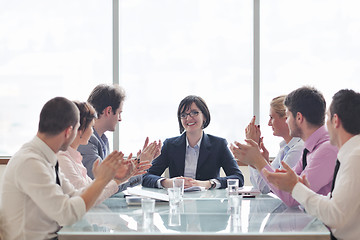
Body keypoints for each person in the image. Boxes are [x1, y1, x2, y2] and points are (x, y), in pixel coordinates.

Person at [0, 97, 131, 240]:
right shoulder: (30, 162)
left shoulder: (46, 158)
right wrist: (101, 180)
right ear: (69, 131)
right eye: (76, 129)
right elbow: (67, 214)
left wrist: (114, 180)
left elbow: (74, 195)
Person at [263, 89, 360, 240]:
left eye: (327, 117)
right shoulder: (350, 154)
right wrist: (303, 191)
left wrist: (296, 188)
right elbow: (334, 203)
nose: (325, 125)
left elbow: (334, 215)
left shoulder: (355, 157)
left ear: (336, 121)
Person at [230, 86, 338, 206]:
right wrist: (259, 161)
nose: (287, 121)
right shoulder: (309, 149)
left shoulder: (327, 149)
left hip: (322, 224)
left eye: (288, 116)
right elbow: (284, 186)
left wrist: (257, 161)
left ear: (299, 118)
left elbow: (292, 198)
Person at [57, 101, 156, 204]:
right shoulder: (63, 159)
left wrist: (123, 177)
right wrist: (117, 179)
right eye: (91, 127)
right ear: (79, 129)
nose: (92, 132)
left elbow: (94, 191)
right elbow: (87, 197)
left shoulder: (74, 158)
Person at [142, 95, 244, 189]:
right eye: (183, 115)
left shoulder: (219, 145)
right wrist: (169, 182)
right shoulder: (170, 145)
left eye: (194, 112)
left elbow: (238, 178)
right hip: (177, 201)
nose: (189, 118)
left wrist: (208, 183)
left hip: (207, 202)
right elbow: (146, 177)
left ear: (204, 116)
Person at [78, 84, 160, 191]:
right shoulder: (87, 141)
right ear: (108, 111)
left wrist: (136, 165)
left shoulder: (102, 139)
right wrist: (138, 165)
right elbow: (103, 186)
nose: (120, 119)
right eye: (119, 113)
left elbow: (111, 180)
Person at [246, 95, 304, 193]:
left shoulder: (298, 149)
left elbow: (266, 188)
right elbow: (259, 185)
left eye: (272, 117)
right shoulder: (285, 148)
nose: (269, 123)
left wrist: (254, 153)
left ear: (286, 118)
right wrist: (258, 159)